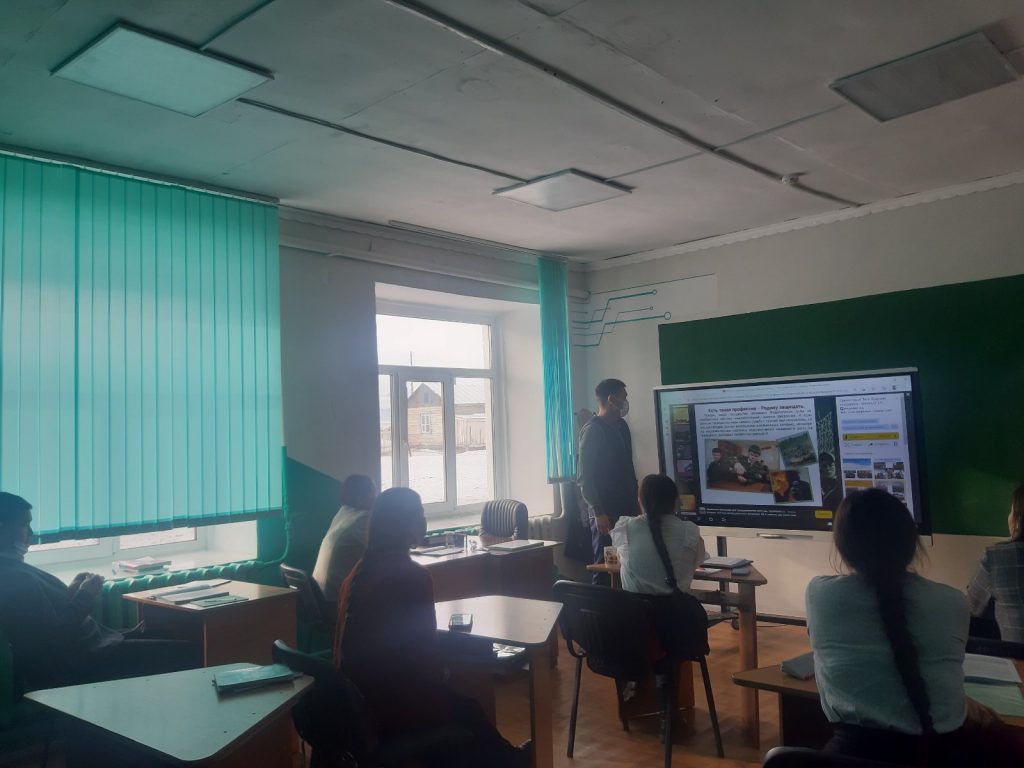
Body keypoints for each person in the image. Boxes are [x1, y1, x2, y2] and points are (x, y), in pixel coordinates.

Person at [806, 488, 1023, 766]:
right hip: (943, 752)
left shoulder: (819, 595)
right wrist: (964, 706)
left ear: (842, 545)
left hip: (847, 753)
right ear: (912, 542)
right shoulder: (950, 601)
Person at [334, 488, 527, 768]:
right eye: (420, 514)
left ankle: (512, 758)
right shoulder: (412, 576)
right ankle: (515, 761)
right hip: (396, 706)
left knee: (468, 710)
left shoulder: (355, 574)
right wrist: (449, 672)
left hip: (358, 705)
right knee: (469, 709)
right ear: (405, 525)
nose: (424, 522)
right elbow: (425, 660)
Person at [0, 493, 201, 692]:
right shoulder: (12, 577)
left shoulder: (12, 566)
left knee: (169, 632)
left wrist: (71, 592)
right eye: (24, 525)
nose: (31, 533)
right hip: (86, 659)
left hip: (97, 644)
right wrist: (86, 595)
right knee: (197, 652)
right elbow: (56, 636)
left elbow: (44, 617)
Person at [578, 378, 638, 583]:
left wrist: (637, 501)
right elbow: (584, 477)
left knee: (628, 567)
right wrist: (598, 511)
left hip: (627, 510)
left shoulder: (622, 427)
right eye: (624, 397)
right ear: (612, 399)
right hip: (605, 514)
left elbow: (628, 466)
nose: (626, 402)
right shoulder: (593, 430)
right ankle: (601, 604)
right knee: (606, 568)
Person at [611, 474, 706, 596]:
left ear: (640, 501)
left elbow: (622, 560)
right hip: (676, 607)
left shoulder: (625, 529)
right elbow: (696, 562)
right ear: (675, 501)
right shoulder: (690, 532)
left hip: (635, 607)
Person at [967, 484, 1024, 642]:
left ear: (1018, 520)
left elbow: (971, 607)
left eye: (1011, 511)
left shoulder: (997, 558)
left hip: (1015, 655)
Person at [313, 474, 376, 607]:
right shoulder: (362, 519)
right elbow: (381, 551)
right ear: (361, 499)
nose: (376, 499)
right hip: (336, 600)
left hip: (319, 595)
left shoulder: (343, 513)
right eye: (373, 495)